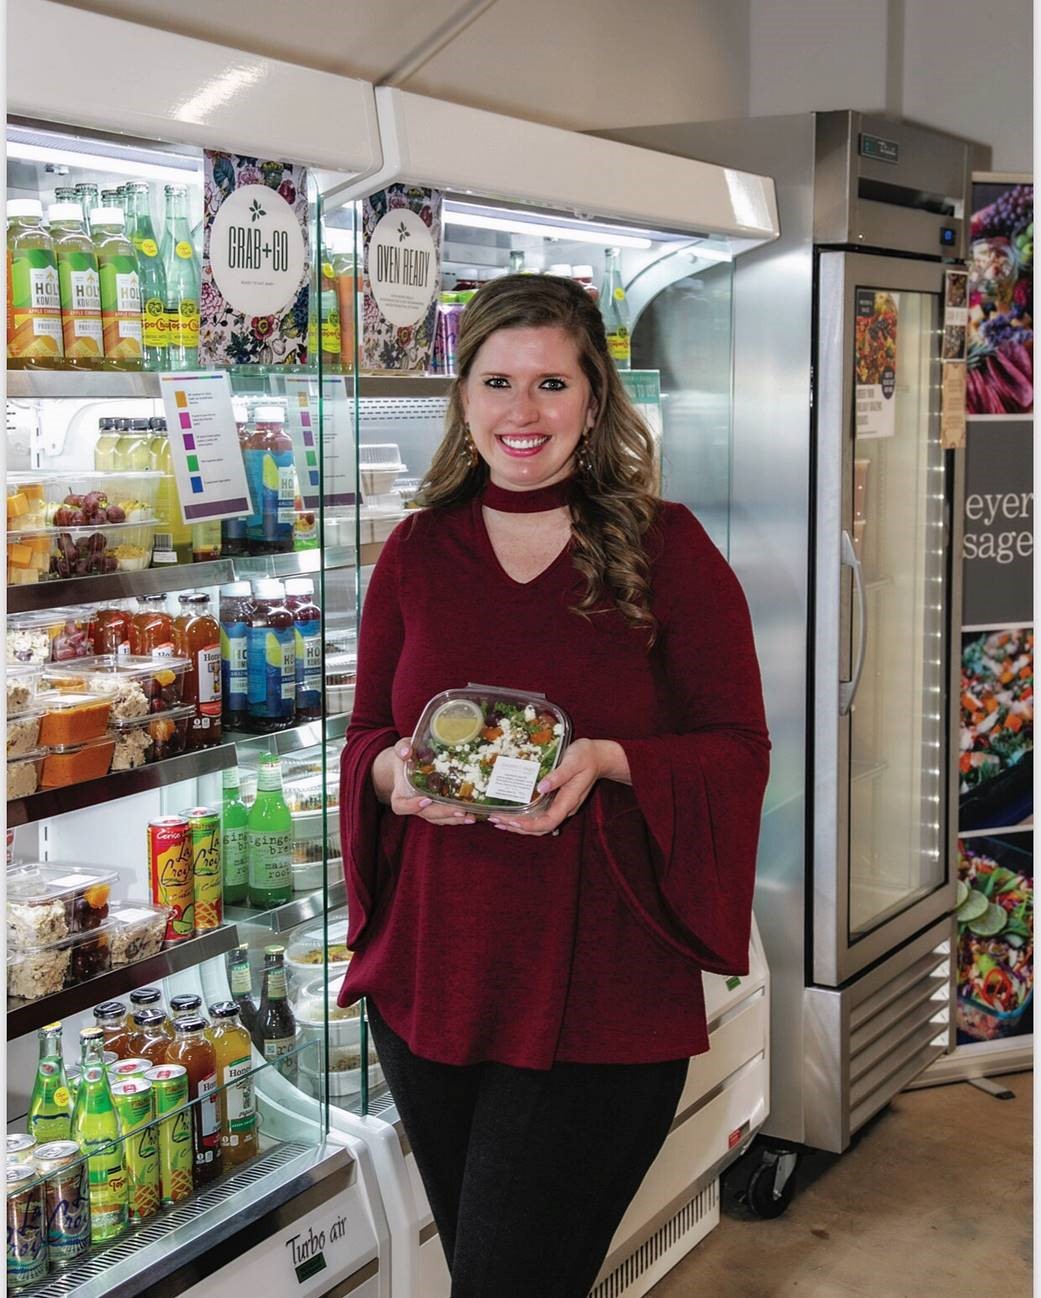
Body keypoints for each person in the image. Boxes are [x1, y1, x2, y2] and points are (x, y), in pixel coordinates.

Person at [339, 272, 769, 1297]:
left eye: (550, 384)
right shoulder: (414, 551)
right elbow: (366, 735)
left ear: (594, 400)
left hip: (601, 994)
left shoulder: (668, 548)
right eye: (496, 381)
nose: (520, 413)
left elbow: (737, 745)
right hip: (433, 987)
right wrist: (396, 775)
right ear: (463, 399)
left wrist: (610, 759)